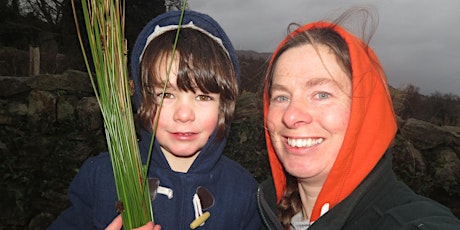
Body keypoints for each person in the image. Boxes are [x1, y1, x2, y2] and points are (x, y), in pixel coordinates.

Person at [48, 10, 260, 229]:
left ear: (224, 105)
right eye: (166, 95)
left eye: (203, 96)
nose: (184, 114)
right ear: (142, 98)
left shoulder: (244, 192)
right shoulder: (101, 177)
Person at [257, 8, 460, 230]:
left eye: (322, 94)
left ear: (366, 111)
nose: (291, 115)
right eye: (281, 97)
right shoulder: (257, 211)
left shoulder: (407, 222)